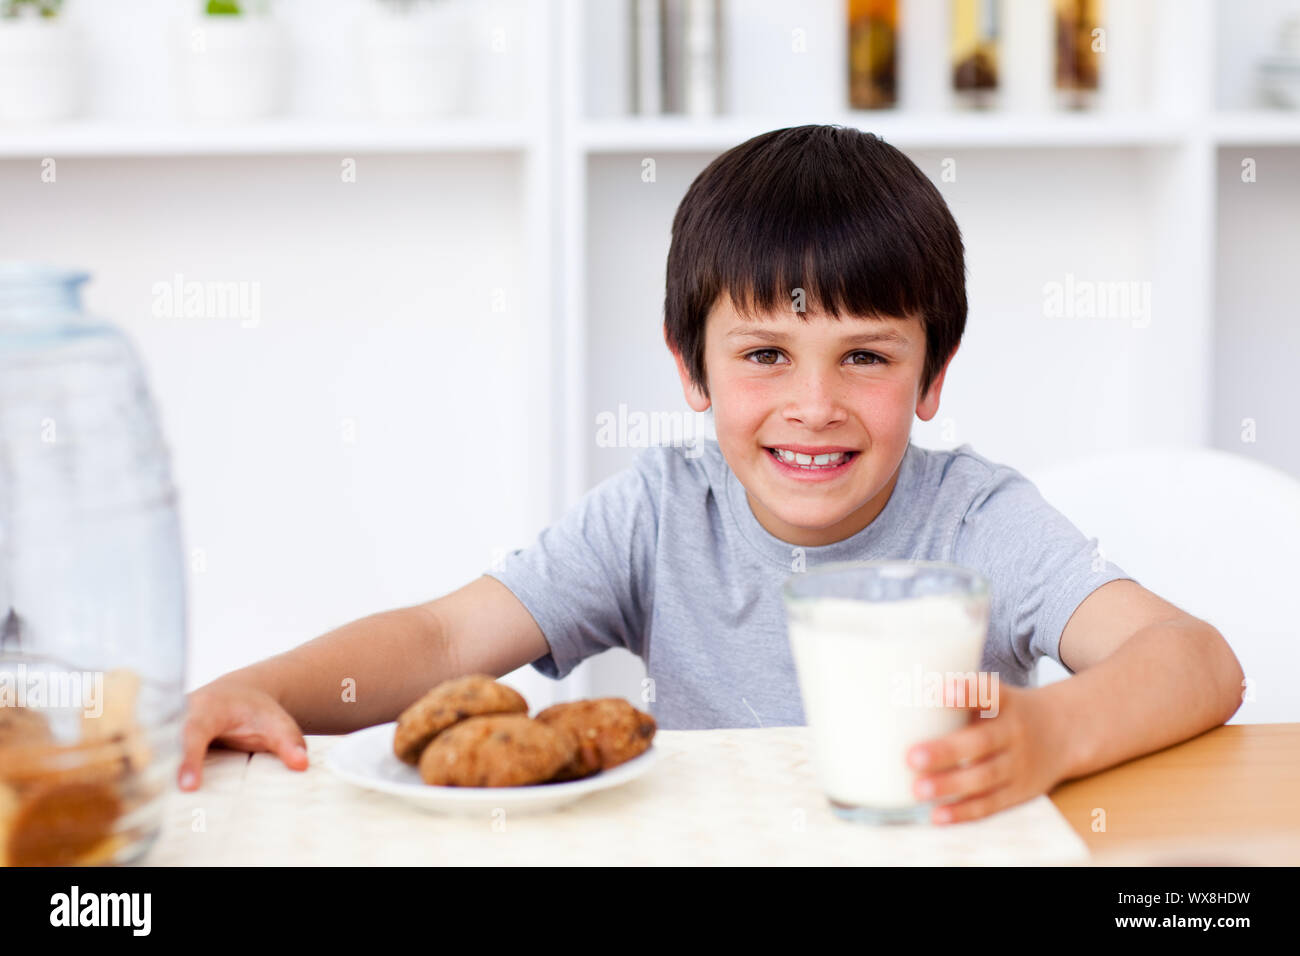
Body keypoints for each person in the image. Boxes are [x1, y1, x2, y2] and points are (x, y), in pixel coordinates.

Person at [179, 125, 1244, 824]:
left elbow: (1192, 658)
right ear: (690, 367)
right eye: (765, 354)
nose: (813, 403)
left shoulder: (974, 518)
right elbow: (448, 639)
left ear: (931, 376)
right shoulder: (659, 511)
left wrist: (1051, 732)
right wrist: (265, 687)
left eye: (864, 355)